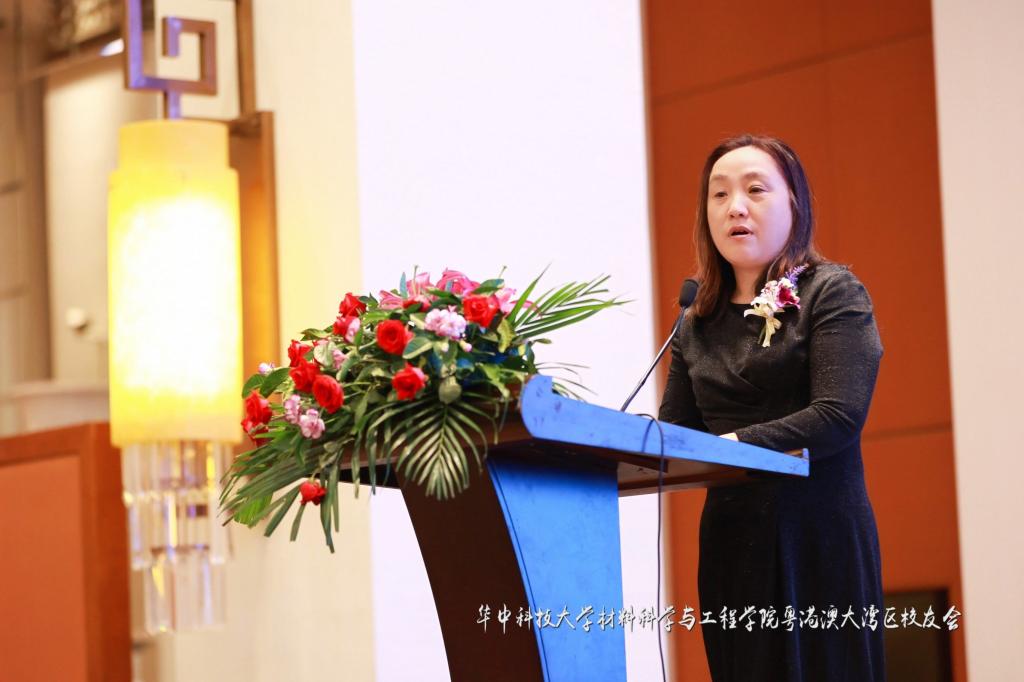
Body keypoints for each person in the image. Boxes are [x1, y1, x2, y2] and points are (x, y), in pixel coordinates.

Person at [658, 134, 886, 681]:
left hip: (818, 538)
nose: (735, 207)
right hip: (733, 544)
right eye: (719, 195)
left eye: (755, 190)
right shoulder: (696, 320)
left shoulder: (831, 292)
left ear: (795, 205)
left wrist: (735, 445)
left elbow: (837, 415)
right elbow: (677, 431)